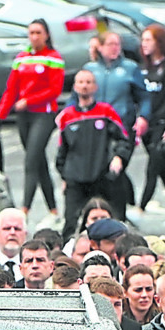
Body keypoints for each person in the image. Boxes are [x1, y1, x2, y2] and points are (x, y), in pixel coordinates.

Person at [0, 19, 65, 222]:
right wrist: (0, 115)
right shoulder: (22, 59)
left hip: (43, 114)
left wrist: (29, 100)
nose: (34, 36)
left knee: (31, 160)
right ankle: (53, 211)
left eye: (38, 32)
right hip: (24, 116)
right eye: (31, 32)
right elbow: (11, 89)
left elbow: (54, 90)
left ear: (46, 35)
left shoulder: (53, 58)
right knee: (38, 161)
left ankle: (24, 209)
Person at [54, 70, 133, 235]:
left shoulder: (106, 112)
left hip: (102, 176)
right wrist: (65, 176)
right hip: (76, 179)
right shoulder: (66, 116)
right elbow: (62, 151)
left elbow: (123, 139)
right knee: (71, 223)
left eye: (89, 82)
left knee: (114, 221)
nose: (85, 86)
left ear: (95, 87)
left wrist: (119, 157)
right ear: (75, 87)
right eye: (81, 82)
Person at [134, 25, 165, 214]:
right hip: (147, 123)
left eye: (149, 40)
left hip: (162, 124)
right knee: (162, 168)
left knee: (153, 166)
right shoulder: (144, 67)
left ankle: (141, 208)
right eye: (143, 40)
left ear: (159, 42)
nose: (144, 44)